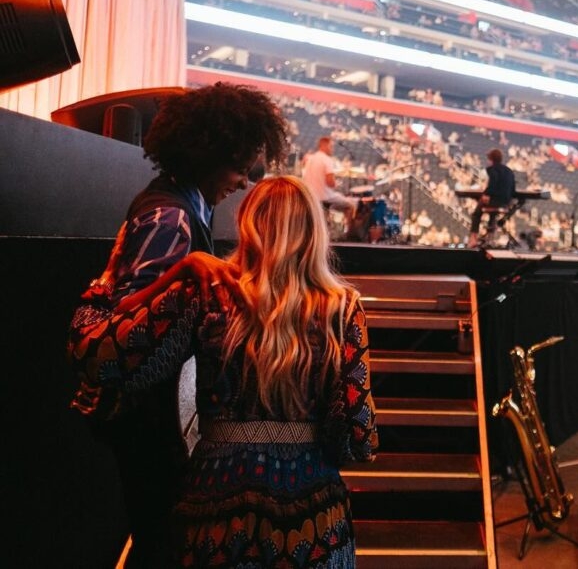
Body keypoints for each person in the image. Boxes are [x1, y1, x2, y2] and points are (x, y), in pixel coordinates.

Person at [69, 177, 378, 567]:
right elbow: (358, 435)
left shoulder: (205, 290)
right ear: (315, 232)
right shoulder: (343, 308)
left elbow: (96, 356)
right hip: (313, 515)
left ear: (247, 225)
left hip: (215, 505)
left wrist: (106, 283)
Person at [72, 82, 289, 568]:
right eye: (239, 166)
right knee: (161, 543)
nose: (242, 180)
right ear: (209, 155)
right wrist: (185, 268)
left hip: (150, 417)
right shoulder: (170, 218)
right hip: (147, 423)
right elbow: (129, 318)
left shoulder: (182, 203)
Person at [468, 148, 516, 247]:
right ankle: (490, 236)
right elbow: (513, 189)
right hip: (506, 202)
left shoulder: (492, 169)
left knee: (477, 213)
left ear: (491, 159)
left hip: (495, 200)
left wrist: (486, 194)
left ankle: (473, 238)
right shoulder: (509, 171)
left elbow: (493, 185)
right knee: (492, 213)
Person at [301, 136, 358, 215]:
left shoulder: (310, 159)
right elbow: (330, 183)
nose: (332, 149)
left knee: (339, 197)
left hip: (311, 197)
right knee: (351, 204)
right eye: (331, 146)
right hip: (325, 197)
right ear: (325, 146)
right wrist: (336, 184)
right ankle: (348, 227)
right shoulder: (326, 159)